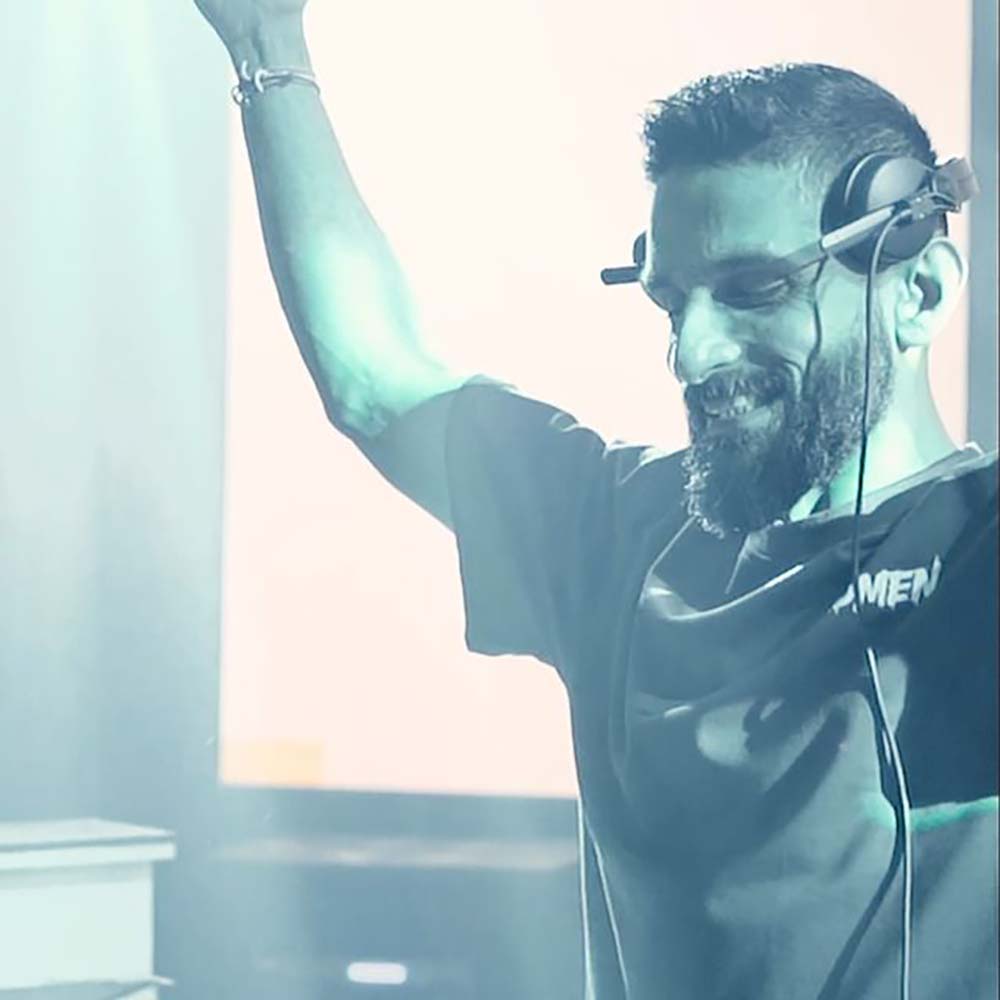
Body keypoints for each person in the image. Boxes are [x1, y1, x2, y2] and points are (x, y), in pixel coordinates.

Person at [194, 2, 998, 997]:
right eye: (671, 301)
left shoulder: (981, 553)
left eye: (752, 290)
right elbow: (380, 383)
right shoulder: (627, 532)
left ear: (919, 292)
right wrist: (266, 45)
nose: (692, 353)